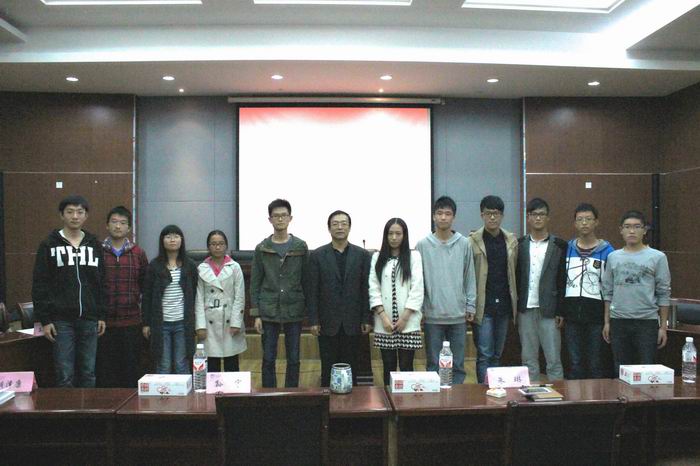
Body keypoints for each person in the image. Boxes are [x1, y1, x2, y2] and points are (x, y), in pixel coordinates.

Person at [32, 195, 106, 387]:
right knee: (65, 374)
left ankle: (88, 407)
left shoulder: (93, 244)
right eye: (70, 212)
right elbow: (40, 284)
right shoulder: (49, 244)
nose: (75, 216)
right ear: (61, 215)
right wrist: (45, 320)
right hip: (61, 321)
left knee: (88, 372)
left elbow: (101, 282)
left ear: (86, 216)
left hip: (89, 319)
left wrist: (101, 315)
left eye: (80, 212)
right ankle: (67, 409)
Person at [416, 196, 477, 385]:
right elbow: (418, 282)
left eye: (448, 214)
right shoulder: (422, 245)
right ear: (433, 216)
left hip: (458, 314)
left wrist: (471, 305)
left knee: (458, 364)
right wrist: (420, 309)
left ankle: (456, 398)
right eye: (439, 213)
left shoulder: (464, 243)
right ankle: (434, 399)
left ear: (454, 217)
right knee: (433, 363)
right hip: (432, 315)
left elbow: (469, 276)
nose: (443, 217)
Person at [602, 210, 671, 374]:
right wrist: (607, 322)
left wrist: (663, 327)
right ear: (621, 230)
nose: (632, 231)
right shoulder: (613, 257)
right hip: (618, 321)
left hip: (646, 322)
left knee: (647, 371)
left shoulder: (658, 257)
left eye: (637, 226)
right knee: (620, 370)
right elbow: (608, 292)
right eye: (627, 227)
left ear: (644, 230)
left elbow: (663, 293)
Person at [308, 210, 372, 387]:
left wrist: (366, 318)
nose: (340, 227)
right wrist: (313, 320)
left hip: (353, 321)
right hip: (327, 322)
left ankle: (353, 401)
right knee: (328, 367)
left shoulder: (362, 255)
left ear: (350, 227)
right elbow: (312, 290)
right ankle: (327, 401)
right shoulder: (317, 255)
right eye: (335, 224)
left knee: (352, 366)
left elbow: (366, 289)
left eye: (344, 223)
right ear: (329, 228)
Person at [250, 199, 309, 388]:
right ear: (270, 219)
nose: (280, 219)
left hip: (294, 308)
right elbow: (255, 282)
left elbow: (307, 280)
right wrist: (256, 314)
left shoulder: (300, 247)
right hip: (268, 310)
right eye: (276, 216)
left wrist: (308, 310)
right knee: (268, 358)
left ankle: (292, 395)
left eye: (284, 215)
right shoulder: (262, 248)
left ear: (290, 218)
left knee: (294, 358)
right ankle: (269, 396)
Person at [96, 206, 149, 388]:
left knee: (131, 370)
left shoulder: (138, 253)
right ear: (107, 225)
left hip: (131, 322)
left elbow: (145, 287)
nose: (118, 226)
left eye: (123, 223)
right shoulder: (97, 251)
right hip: (103, 323)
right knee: (105, 372)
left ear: (129, 228)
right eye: (114, 222)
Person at [468, 195, 518, 384]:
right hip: (483, 305)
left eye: (496, 213)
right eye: (488, 213)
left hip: (504, 305)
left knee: (498, 353)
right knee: (484, 354)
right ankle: (483, 392)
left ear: (502, 215)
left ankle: (496, 389)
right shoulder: (472, 241)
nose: (492, 217)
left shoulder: (511, 240)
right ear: (482, 215)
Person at [516, 198, 567, 382]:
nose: (538, 218)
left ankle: (557, 398)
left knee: (553, 360)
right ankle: (530, 397)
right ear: (528, 217)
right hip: (525, 309)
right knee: (528, 360)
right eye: (534, 214)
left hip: (550, 311)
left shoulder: (560, 245)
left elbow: (562, 280)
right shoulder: (519, 244)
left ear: (548, 217)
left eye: (541, 214)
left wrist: (560, 310)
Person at [369, 218, 424, 386]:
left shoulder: (414, 256)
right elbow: (373, 287)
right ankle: (388, 399)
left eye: (398, 233)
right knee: (388, 366)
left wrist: (405, 318)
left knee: (407, 366)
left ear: (404, 235)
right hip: (384, 322)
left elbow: (417, 288)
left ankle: (407, 400)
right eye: (390, 233)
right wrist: (383, 317)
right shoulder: (377, 257)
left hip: (408, 321)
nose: (394, 237)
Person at [563, 203, 614, 379]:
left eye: (588, 219)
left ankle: (596, 397)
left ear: (596, 222)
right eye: (580, 219)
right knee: (574, 362)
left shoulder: (609, 252)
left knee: (595, 363)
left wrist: (607, 320)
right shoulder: (566, 249)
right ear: (574, 223)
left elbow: (610, 288)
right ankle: (575, 397)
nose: (584, 223)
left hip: (596, 316)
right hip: (571, 316)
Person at [142, 225, 198, 374]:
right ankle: (163, 390)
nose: (172, 240)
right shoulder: (154, 266)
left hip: (183, 323)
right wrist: (146, 323)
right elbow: (147, 296)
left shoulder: (190, 266)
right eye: (168, 236)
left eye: (176, 236)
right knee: (163, 364)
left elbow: (195, 294)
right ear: (162, 241)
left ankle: (185, 390)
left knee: (181, 363)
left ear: (182, 240)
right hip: (161, 323)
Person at [195, 230, 246, 372]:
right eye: (213, 244)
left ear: (226, 246)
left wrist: (236, 322)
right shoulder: (201, 269)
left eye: (221, 244)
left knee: (231, 364)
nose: (217, 247)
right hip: (209, 322)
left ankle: (232, 388)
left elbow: (240, 297)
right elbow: (198, 299)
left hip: (229, 320)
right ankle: (213, 388)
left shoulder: (235, 267)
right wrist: (200, 325)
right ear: (208, 247)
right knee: (212, 365)